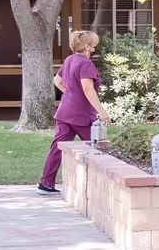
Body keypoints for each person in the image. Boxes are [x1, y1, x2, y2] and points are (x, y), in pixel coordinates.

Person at [38, 30, 111, 194]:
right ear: (87, 47)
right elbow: (88, 89)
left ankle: (45, 183)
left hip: (65, 112)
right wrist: (102, 112)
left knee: (56, 147)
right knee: (98, 148)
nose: (95, 49)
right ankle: (103, 188)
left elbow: (57, 81)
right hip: (82, 115)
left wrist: (71, 94)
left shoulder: (69, 60)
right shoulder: (85, 64)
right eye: (94, 46)